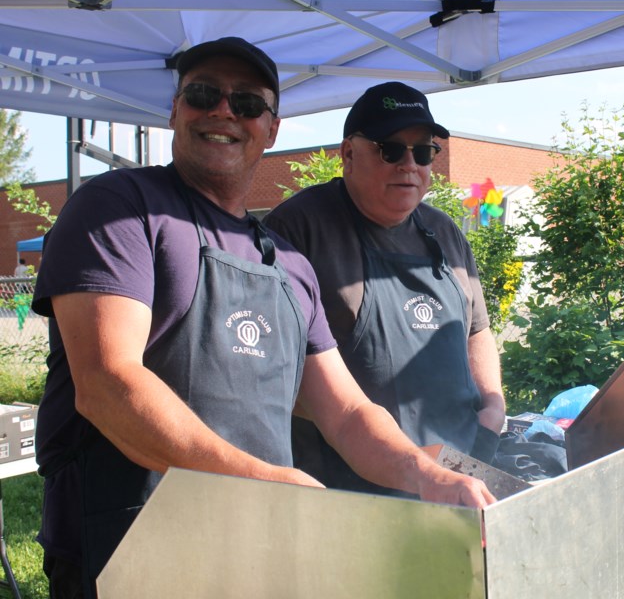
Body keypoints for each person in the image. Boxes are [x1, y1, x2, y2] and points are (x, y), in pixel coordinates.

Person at [31, 38, 493, 598]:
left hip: (259, 554)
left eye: (248, 103)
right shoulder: (122, 207)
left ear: (271, 129)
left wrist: (428, 476)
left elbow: (346, 412)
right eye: (204, 94)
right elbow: (107, 383)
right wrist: (266, 484)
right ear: (175, 110)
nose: (225, 110)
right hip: (131, 548)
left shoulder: (288, 263)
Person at [265, 81, 506, 495]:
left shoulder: (445, 231)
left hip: (462, 467)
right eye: (391, 149)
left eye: (424, 151)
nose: (408, 164)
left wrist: (492, 408)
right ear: (348, 154)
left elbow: (477, 330)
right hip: (351, 484)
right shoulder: (296, 231)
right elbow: (271, 371)